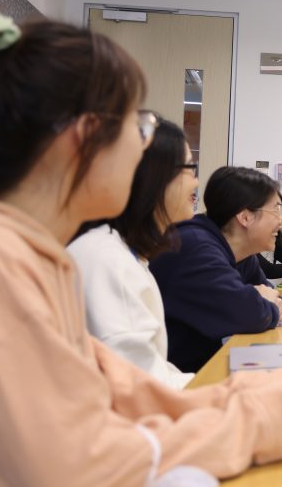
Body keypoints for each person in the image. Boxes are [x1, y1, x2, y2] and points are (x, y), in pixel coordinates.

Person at [0, 5, 282, 485]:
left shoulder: (38, 256)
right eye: (139, 126)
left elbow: (126, 391)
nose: (146, 147)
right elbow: (76, 466)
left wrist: (244, 395)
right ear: (83, 137)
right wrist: (253, 419)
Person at [67, 117, 199, 388]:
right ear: (154, 175)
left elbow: (151, 368)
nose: (197, 184)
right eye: (191, 169)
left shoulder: (123, 253)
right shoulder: (107, 260)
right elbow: (139, 387)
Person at [150, 166, 282, 373]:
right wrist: (261, 302)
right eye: (276, 210)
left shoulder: (242, 253)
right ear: (245, 217)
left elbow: (275, 300)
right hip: (176, 381)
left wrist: (263, 302)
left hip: (206, 367)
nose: (281, 221)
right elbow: (250, 314)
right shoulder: (194, 247)